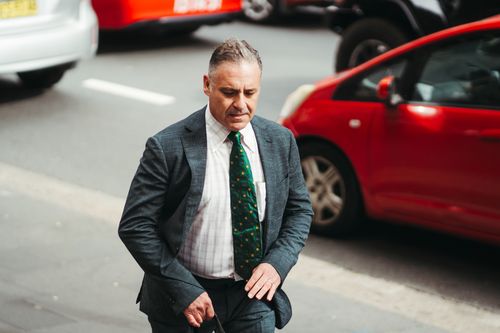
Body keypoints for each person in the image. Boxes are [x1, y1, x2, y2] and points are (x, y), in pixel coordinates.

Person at [118, 38, 313, 333]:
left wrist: (277, 264)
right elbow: (135, 226)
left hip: (251, 296)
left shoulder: (279, 141)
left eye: (250, 93)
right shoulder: (166, 147)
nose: (241, 104)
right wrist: (184, 289)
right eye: (229, 92)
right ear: (207, 85)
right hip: (185, 297)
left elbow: (299, 211)